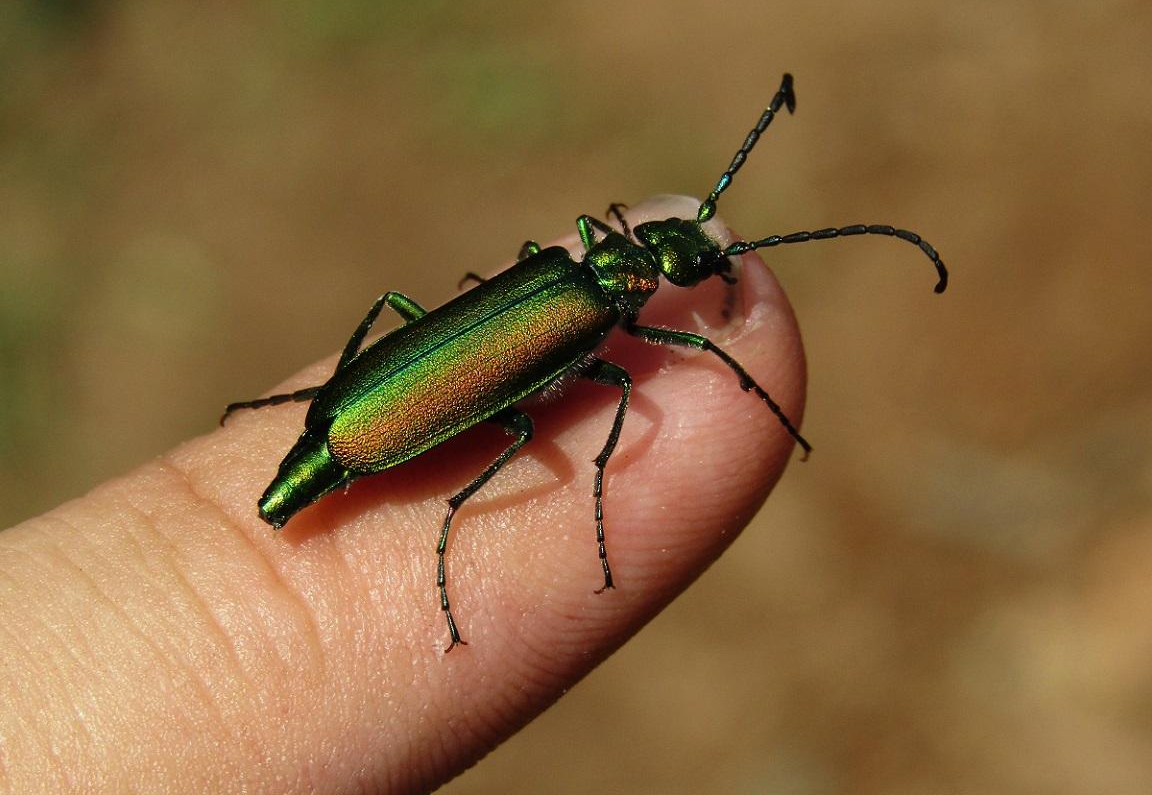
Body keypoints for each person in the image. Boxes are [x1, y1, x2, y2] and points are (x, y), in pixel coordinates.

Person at [0, 199, 805, 792]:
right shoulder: (599, 306)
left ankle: (338, 433)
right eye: (686, 259)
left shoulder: (571, 267)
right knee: (530, 428)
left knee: (423, 324)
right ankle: (450, 510)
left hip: (372, 407)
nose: (694, 258)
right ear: (652, 261)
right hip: (382, 419)